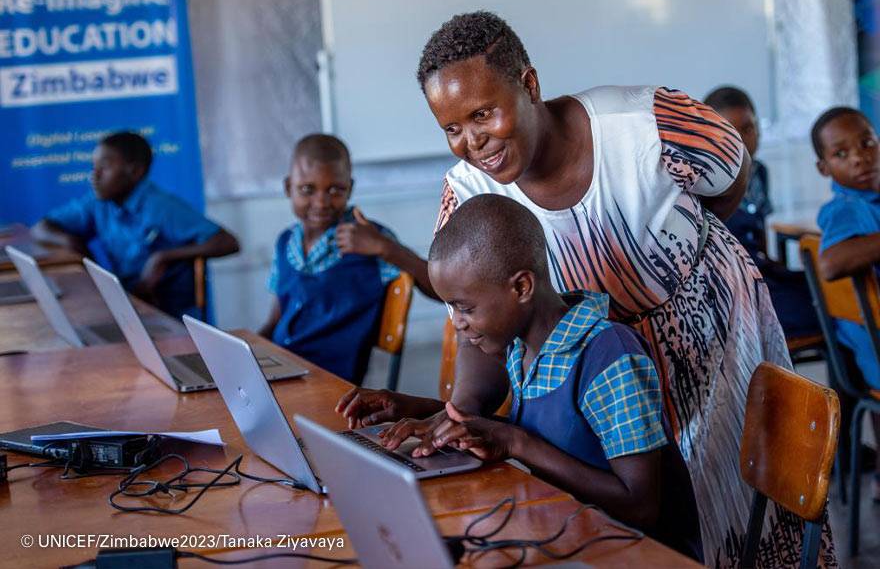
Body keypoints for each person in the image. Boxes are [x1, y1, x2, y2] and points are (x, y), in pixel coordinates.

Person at [336, 12, 834, 567]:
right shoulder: (469, 192)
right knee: (652, 527)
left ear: (529, 85)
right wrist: (457, 417)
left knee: (743, 523)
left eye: (483, 114)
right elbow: (479, 322)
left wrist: (678, 261)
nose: (473, 142)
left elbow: (730, 178)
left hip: (712, 340)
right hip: (600, 371)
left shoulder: (641, 123)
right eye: (452, 128)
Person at [341, 194, 703, 559]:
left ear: (521, 288)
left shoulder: (609, 356)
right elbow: (545, 436)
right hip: (565, 532)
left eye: (465, 308)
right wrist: (416, 408)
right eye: (452, 307)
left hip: (637, 555)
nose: (456, 322)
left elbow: (640, 506)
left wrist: (516, 442)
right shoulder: (521, 347)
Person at [257, 134, 435, 383]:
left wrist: (385, 247)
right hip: (280, 371)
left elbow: (441, 291)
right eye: (307, 189)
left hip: (330, 383)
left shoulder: (371, 238)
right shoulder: (285, 241)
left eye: (335, 190)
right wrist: (248, 352)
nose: (321, 202)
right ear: (288, 187)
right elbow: (276, 320)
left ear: (350, 188)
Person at [32, 131, 239, 319]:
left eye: (104, 167)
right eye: (93, 167)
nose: (94, 176)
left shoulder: (160, 206)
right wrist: (70, 241)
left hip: (168, 315)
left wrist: (163, 257)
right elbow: (42, 227)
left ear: (135, 171)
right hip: (127, 305)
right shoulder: (99, 202)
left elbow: (227, 242)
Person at [704, 86, 820, 338]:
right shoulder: (705, 183)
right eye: (730, 131)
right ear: (710, 134)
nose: (743, 139)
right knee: (820, 309)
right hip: (732, 283)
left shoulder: (759, 172)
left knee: (821, 288)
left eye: (748, 128)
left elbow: (761, 230)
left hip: (760, 269)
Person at [813, 106, 880, 501]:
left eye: (867, 143)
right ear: (824, 168)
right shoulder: (844, 208)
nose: (859, 156)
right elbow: (830, 261)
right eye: (841, 154)